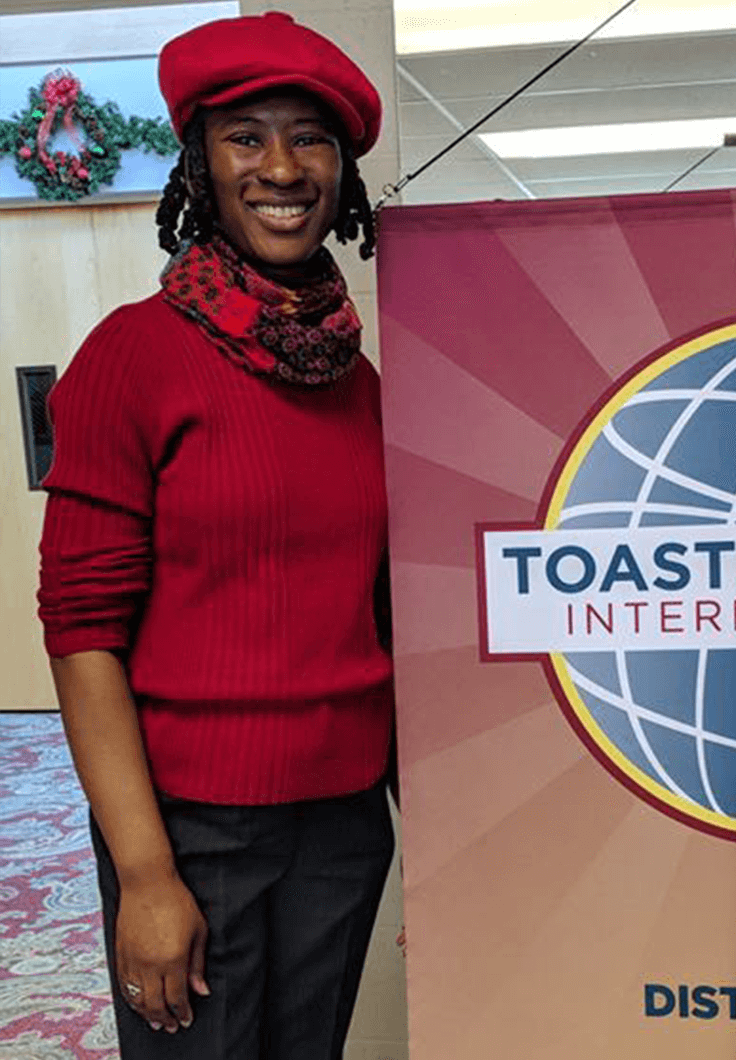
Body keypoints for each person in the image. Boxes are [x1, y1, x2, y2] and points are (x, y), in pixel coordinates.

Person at [37, 12, 395, 1058]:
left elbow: (381, 605)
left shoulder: (359, 380)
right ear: (200, 165)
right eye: (247, 136)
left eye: (310, 137)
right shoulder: (132, 356)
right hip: (192, 823)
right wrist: (144, 872)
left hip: (342, 816)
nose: (281, 166)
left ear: (343, 172)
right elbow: (81, 629)